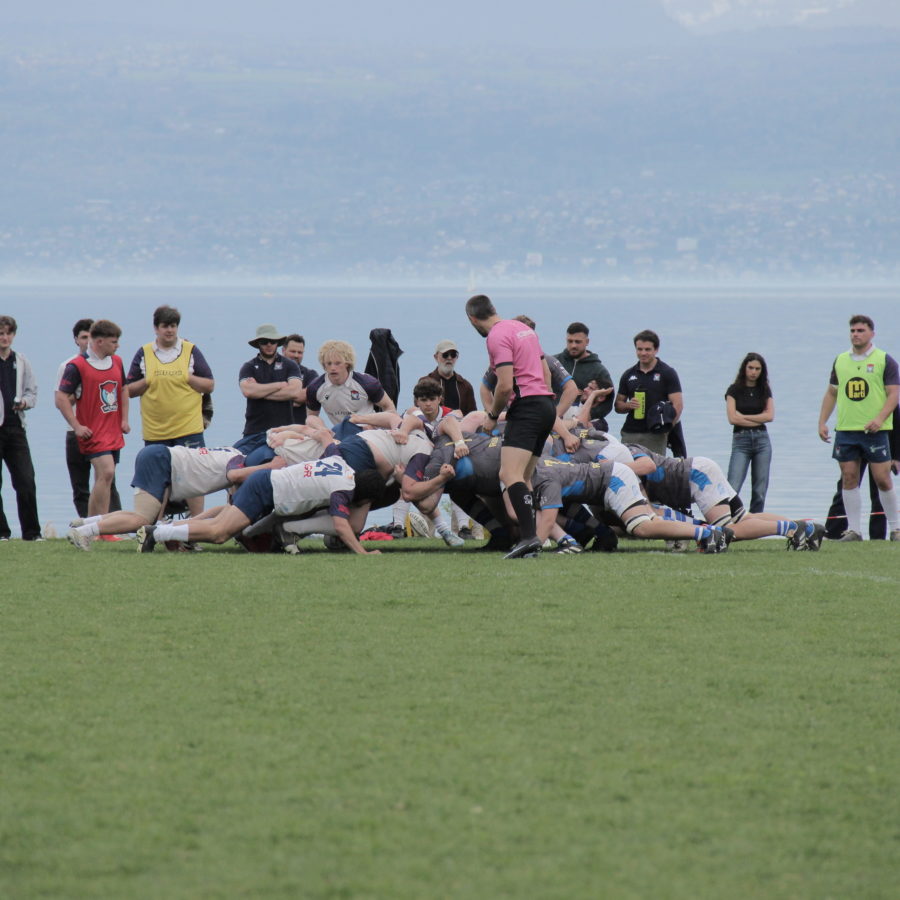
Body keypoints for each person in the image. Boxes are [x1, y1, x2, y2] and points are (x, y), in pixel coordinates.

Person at [137, 457, 386, 556]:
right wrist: (363, 554)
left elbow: (329, 443)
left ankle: (160, 530)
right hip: (265, 489)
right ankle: (156, 533)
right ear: (364, 497)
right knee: (219, 533)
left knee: (220, 523)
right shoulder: (343, 490)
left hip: (268, 482)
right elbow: (341, 526)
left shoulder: (342, 463)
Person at [465, 294, 556, 559]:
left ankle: (528, 538)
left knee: (508, 473)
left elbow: (504, 385)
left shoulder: (496, 336)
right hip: (545, 405)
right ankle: (533, 541)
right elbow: (546, 373)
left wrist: (492, 415)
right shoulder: (523, 329)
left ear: (472, 319)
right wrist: (544, 400)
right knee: (524, 477)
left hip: (526, 407)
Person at [66, 444, 245, 550]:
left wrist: (185, 524)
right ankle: (83, 533)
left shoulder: (232, 453)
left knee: (142, 515)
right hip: (161, 461)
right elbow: (233, 507)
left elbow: (224, 509)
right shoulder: (241, 464)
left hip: (158, 455)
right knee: (142, 520)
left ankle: (85, 523)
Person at [817, 314, 900, 542]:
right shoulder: (841, 360)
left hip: (875, 431)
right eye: (853, 331)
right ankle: (854, 530)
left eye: (861, 330)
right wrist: (822, 422)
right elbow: (832, 392)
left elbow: (894, 394)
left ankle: (896, 529)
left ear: (872, 333)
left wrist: (879, 419)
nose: (856, 334)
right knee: (849, 477)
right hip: (846, 430)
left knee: (882, 479)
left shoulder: (884, 360)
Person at [126, 305, 215, 516]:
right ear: (156, 328)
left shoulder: (190, 350)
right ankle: (158, 525)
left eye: (173, 326)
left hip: (188, 428)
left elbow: (209, 384)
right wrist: (147, 381)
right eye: (165, 326)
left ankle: (196, 524)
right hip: (156, 431)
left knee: (194, 477)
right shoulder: (144, 353)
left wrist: (188, 378)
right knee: (158, 479)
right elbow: (128, 390)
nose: (170, 330)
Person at [55, 319, 130, 522]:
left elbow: (124, 388)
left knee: (103, 478)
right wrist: (76, 426)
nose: (117, 346)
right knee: (107, 471)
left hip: (113, 430)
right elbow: (61, 398)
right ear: (99, 342)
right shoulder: (77, 366)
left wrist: (124, 419)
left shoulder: (117, 362)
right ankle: (100, 527)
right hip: (93, 432)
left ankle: (93, 527)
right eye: (113, 342)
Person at [0, 315, 41, 541]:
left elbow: (32, 392)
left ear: (14, 335)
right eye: (1, 333)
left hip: (16, 428)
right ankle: (2, 533)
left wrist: (24, 402)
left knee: (26, 481)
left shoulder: (21, 361)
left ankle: (32, 533)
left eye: (8, 333)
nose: (5, 338)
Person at [236, 324, 303, 458]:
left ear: (277, 343)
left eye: (272, 341)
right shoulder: (248, 367)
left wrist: (259, 391)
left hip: (283, 431)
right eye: (264, 341)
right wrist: (279, 385)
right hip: (254, 432)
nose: (269, 345)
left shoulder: (290, 365)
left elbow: (294, 392)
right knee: (239, 459)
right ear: (258, 344)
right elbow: (248, 391)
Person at [615, 329, 683, 456]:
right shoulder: (628, 374)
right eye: (639, 349)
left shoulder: (667, 373)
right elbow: (618, 405)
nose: (643, 353)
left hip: (655, 434)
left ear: (656, 350)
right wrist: (628, 405)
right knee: (629, 467)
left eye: (647, 349)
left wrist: (666, 430)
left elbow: (678, 405)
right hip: (630, 433)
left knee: (654, 468)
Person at [305, 339, 396, 428]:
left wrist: (388, 429)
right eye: (329, 363)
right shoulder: (314, 388)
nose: (332, 368)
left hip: (369, 432)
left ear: (347, 364)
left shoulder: (367, 383)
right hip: (340, 433)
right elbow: (312, 418)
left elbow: (389, 407)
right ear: (324, 365)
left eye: (337, 363)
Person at [725, 352, 774, 513]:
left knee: (760, 489)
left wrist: (744, 417)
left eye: (757, 369)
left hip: (762, 441)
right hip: (741, 441)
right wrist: (758, 418)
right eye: (751, 368)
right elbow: (732, 418)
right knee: (732, 486)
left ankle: (756, 521)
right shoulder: (734, 390)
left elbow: (770, 416)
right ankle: (728, 519)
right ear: (744, 368)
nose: (753, 372)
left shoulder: (764, 389)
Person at [554, 322, 614, 428]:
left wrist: (587, 417)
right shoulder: (555, 362)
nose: (573, 345)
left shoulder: (599, 370)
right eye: (570, 341)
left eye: (578, 342)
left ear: (587, 342)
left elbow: (607, 404)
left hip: (582, 423)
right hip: (554, 419)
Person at [420, 340, 477, 414]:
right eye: (445, 355)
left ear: (457, 357)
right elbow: (418, 411)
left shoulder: (465, 386)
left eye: (453, 355)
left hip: (459, 421)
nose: (449, 358)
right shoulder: (425, 383)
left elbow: (472, 414)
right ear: (436, 357)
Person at [282, 333, 318, 425]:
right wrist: (294, 399)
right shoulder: (272, 371)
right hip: (272, 427)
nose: (296, 355)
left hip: (300, 429)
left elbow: (303, 396)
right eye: (293, 351)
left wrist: (275, 397)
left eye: (300, 352)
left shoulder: (310, 375)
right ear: (283, 350)